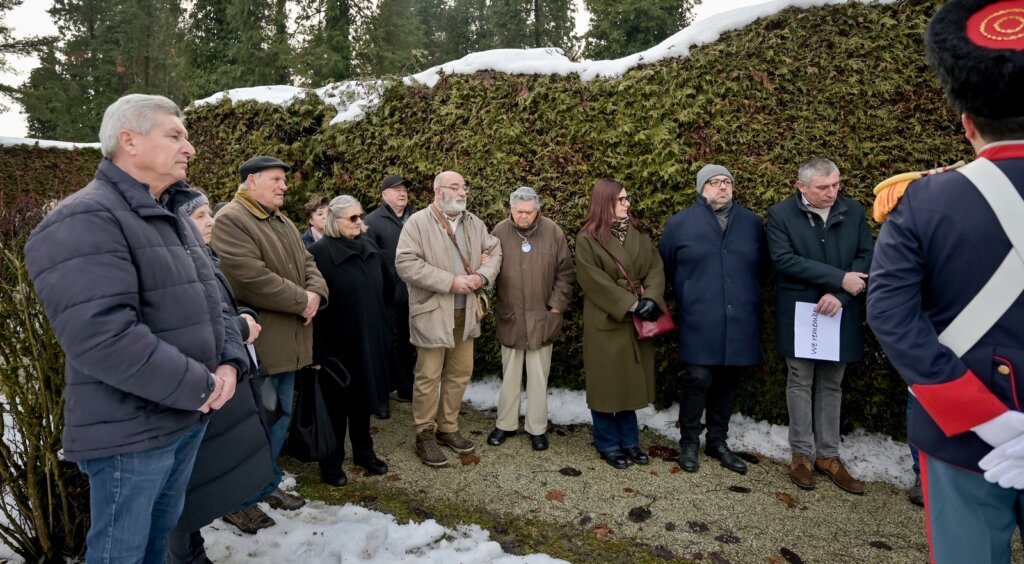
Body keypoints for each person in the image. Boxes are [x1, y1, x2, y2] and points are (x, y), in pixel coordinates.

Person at [23, 94, 242, 564]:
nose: (191, 148)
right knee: (119, 553)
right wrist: (200, 384)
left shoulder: (169, 216)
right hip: (132, 431)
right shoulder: (83, 219)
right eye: (175, 135)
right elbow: (103, 336)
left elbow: (213, 302)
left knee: (155, 542)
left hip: (185, 417)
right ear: (129, 141)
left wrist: (229, 361)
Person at [868, 0, 1024, 560]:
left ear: (966, 122)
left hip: (963, 439)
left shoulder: (926, 201)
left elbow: (889, 313)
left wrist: (984, 417)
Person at [211, 155, 329, 516]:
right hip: (260, 349)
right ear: (251, 181)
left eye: (283, 179)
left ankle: (266, 483)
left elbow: (310, 264)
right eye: (275, 179)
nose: (283, 186)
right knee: (255, 425)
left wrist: (316, 296)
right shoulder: (232, 220)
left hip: (288, 346)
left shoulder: (281, 220)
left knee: (278, 422)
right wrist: (301, 301)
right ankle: (239, 501)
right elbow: (250, 277)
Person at [166, 188, 277, 559]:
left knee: (192, 495)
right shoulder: (178, 265)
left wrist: (243, 317)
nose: (211, 221)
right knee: (179, 502)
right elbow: (194, 325)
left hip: (217, 384)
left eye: (209, 213)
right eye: (200, 216)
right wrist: (241, 329)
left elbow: (220, 309)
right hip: (195, 393)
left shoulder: (204, 258)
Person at [766, 158, 874, 494]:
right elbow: (784, 260)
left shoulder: (853, 210)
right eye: (823, 187)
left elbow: (866, 255)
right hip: (801, 311)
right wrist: (838, 278)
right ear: (801, 187)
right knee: (799, 379)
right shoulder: (780, 215)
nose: (832, 192)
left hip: (840, 309)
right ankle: (800, 454)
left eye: (836, 185)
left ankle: (829, 456)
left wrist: (842, 294)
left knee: (832, 382)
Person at [659, 164, 765, 475]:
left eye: (727, 182)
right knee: (699, 378)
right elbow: (665, 268)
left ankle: (718, 441)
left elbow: (761, 268)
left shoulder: (752, 223)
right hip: (698, 317)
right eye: (714, 182)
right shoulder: (679, 224)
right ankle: (689, 441)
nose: (722, 187)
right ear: (701, 188)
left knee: (728, 380)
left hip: (740, 317)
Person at [395, 170, 502, 467]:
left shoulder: (473, 222)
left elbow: (495, 251)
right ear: (438, 191)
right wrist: (450, 281)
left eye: (464, 186)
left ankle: (448, 427)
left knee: (459, 372)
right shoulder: (417, 223)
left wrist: (481, 276)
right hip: (432, 311)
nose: (462, 192)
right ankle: (424, 433)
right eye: (455, 187)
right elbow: (405, 263)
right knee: (428, 375)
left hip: (465, 312)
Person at [575, 179, 666, 470]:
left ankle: (630, 442)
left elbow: (655, 267)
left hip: (637, 320)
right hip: (607, 318)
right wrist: (631, 303)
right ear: (605, 202)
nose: (627, 204)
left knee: (629, 384)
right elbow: (592, 280)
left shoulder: (638, 233)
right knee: (605, 385)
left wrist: (651, 298)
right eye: (622, 200)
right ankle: (607, 443)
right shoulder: (587, 238)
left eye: (627, 199)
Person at [308, 195, 393, 486]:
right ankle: (330, 461)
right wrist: (317, 353)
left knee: (363, 400)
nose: (360, 222)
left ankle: (363, 453)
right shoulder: (318, 253)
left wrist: (384, 328)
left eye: (361, 216)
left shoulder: (369, 245)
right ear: (335, 220)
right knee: (335, 405)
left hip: (369, 337)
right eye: (353, 218)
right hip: (337, 342)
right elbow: (314, 308)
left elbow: (386, 290)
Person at [487, 187, 575, 451]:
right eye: (518, 212)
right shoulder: (499, 232)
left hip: (542, 317)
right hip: (511, 315)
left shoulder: (553, 231)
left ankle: (537, 428)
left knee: (538, 376)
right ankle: (505, 424)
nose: (523, 216)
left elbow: (566, 273)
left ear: (537, 210)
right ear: (510, 210)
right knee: (510, 374)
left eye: (528, 212)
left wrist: (556, 308)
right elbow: (487, 268)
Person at [365, 174, 417, 407]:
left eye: (404, 189)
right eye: (396, 189)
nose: (402, 192)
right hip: (387, 295)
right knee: (386, 343)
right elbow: (369, 259)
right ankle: (382, 392)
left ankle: (407, 388)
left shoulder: (418, 217)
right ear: (384, 195)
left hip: (416, 293)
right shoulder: (373, 221)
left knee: (409, 342)